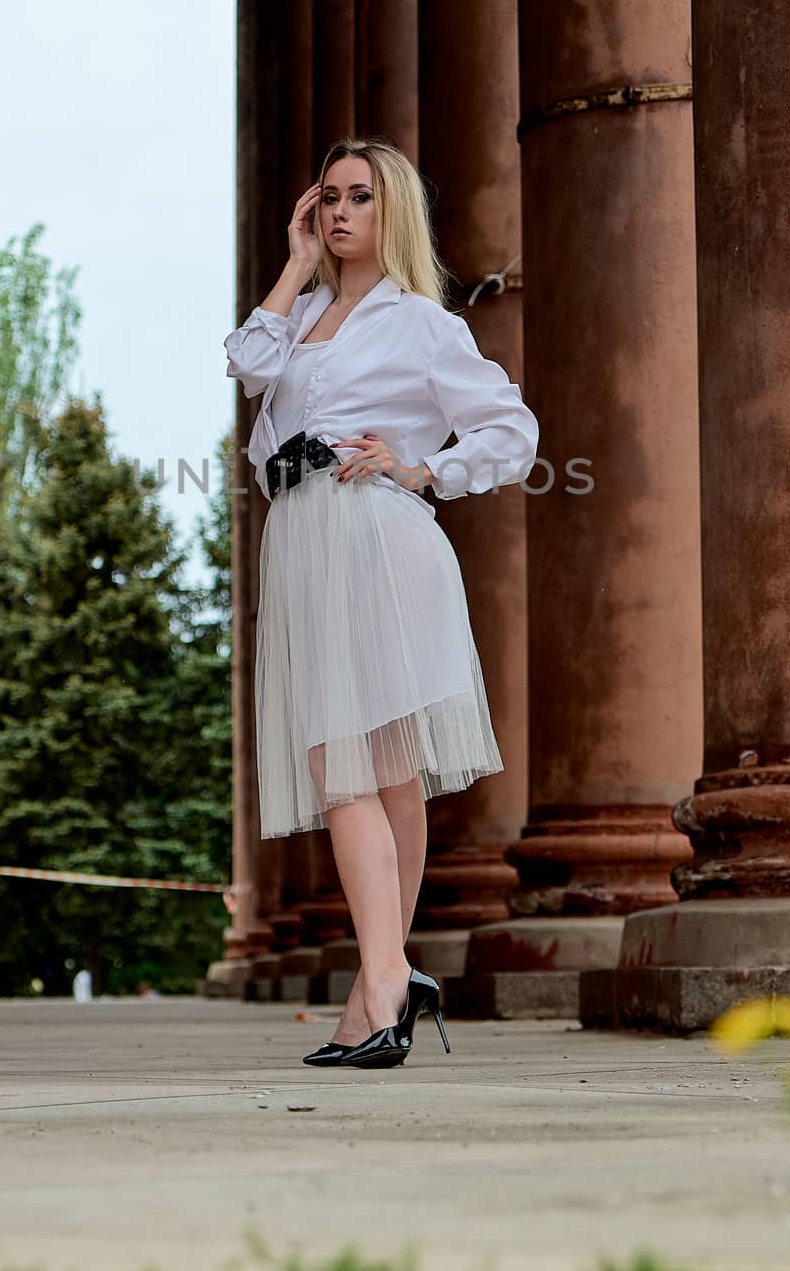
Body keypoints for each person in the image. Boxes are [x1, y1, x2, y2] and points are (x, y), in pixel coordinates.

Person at [223, 136, 539, 1069]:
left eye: (358, 197)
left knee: (350, 771)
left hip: (376, 534)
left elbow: (511, 429)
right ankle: (378, 992)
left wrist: (424, 468)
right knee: (381, 774)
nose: (339, 213)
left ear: (391, 209)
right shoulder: (303, 313)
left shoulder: (420, 324)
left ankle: (386, 983)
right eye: (326, 197)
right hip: (303, 538)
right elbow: (245, 362)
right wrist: (294, 265)